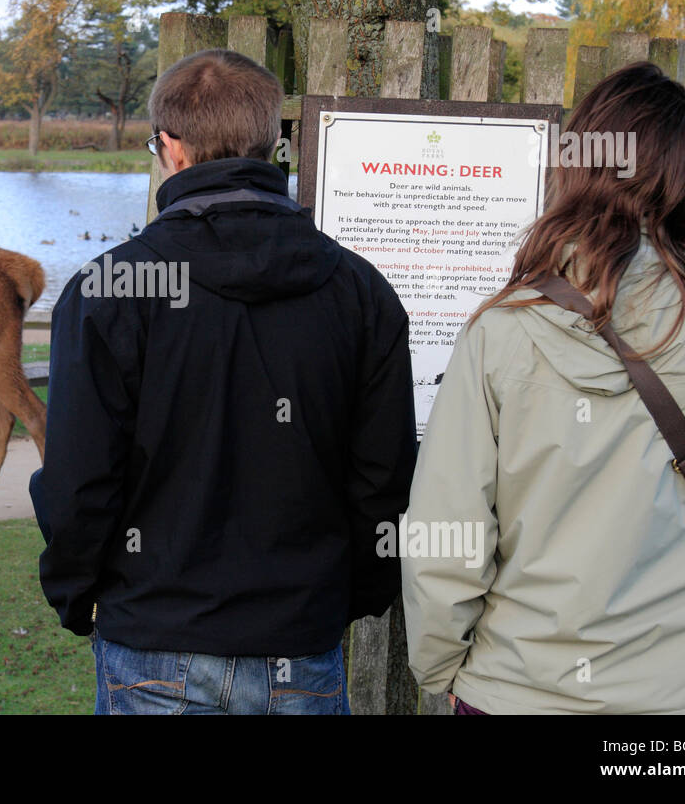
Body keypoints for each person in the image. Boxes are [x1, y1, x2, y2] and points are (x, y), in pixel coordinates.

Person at [28, 49, 417, 715]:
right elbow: (383, 477)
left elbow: (79, 478)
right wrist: (347, 596)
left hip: (157, 637)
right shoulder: (359, 292)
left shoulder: (109, 292)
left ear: (170, 149)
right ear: (273, 145)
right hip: (295, 641)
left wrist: (73, 591)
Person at [402, 61, 685, 715]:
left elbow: (447, 531)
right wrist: (679, 221)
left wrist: (440, 668)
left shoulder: (500, 328)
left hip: (519, 687)